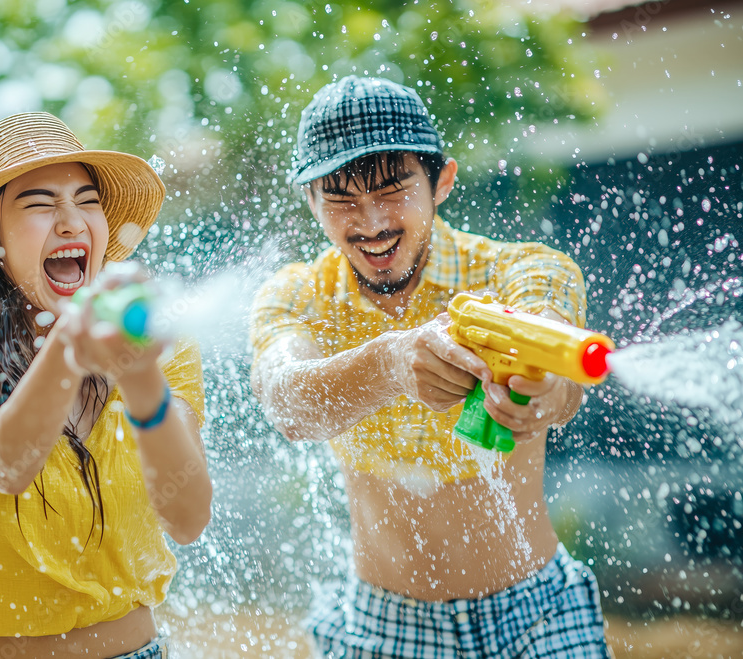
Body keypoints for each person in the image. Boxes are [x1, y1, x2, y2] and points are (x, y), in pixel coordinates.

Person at [250, 76, 611, 657]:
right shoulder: (296, 298)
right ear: (311, 202)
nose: (370, 222)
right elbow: (287, 400)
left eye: (394, 189)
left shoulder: (521, 272)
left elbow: (562, 378)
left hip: (538, 613)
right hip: (378, 625)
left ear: (441, 180)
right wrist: (389, 363)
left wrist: (539, 395)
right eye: (342, 200)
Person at [0, 112, 211, 659]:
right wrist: (70, 343)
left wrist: (139, 377)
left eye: (87, 202)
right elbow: (6, 463)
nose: (71, 223)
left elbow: (187, 519)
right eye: (40, 204)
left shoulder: (159, 353)